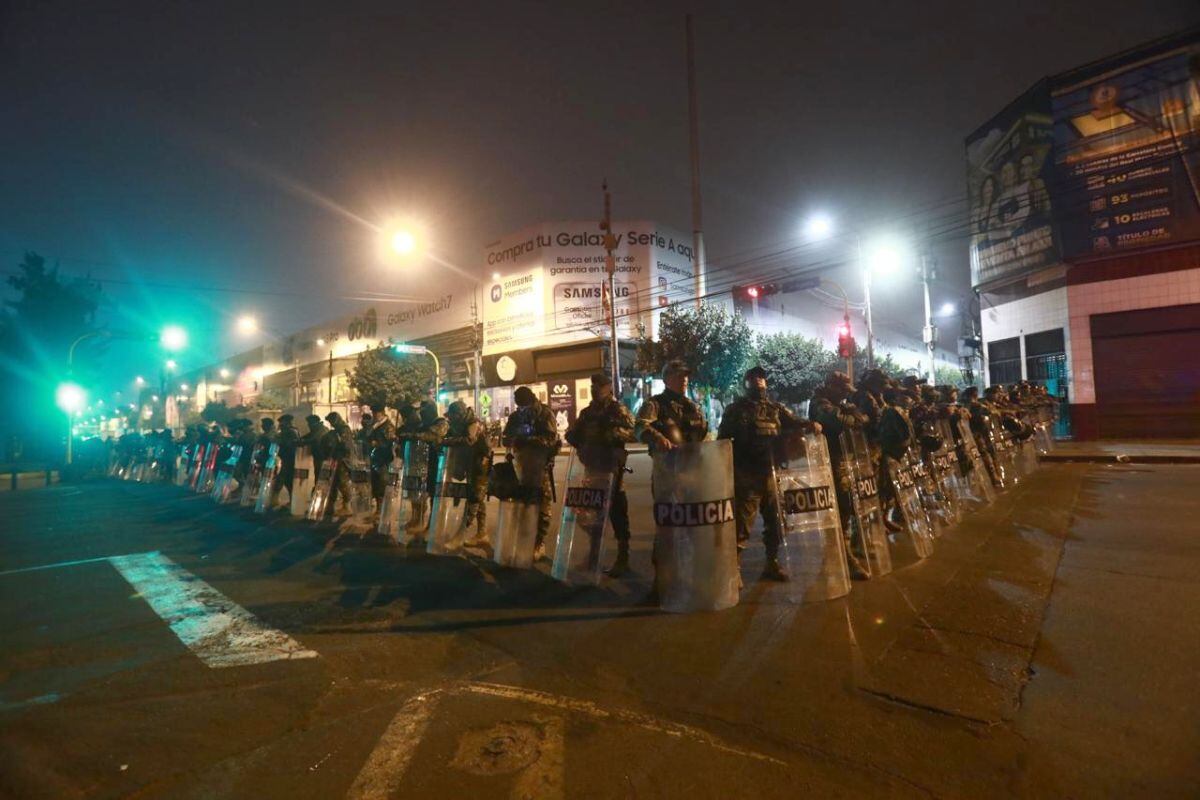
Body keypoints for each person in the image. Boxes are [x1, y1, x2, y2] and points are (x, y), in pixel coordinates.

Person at [718, 365, 820, 582]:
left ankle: (771, 562)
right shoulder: (735, 410)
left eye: (762, 378)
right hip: (746, 474)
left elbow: (794, 421)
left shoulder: (776, 409)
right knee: (742, 527)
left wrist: (812, 424)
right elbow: (723, 442)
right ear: (746, 383)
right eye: (754, 378)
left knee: (776, 522)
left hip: (771, 474)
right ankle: (733, 570)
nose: (759, 381)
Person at [565, 372, 637, 576]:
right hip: (591, 468)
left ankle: (623, 557)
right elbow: (574, 432)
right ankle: (593, 555)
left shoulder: (617, 409)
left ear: (608, 388)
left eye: (599, 385)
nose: (594, 388)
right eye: (592, 385)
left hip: (612, 471)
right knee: (589, 514)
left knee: (617, 513)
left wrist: (613, 434)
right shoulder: (587, 412)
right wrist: (574, 437)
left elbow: (635, 431)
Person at [809, 372, 871, 577]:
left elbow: (863, 419)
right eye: (842, 391)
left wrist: (852, 416)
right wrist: (852, 416)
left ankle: (844, 549)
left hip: (843, 460)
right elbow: (836, 421)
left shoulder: (839, 404)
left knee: (847, 505)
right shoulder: (820, 402)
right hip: (828, 462)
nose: (845, 396)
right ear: (832, 387)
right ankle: (842, 554)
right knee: (838, 506)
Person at [502, 386, 559, 559]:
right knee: (522, 505)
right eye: (520, 407)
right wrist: (513, 440)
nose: (522, 410)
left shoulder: (544, 414)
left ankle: (539, 543)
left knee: (542, 505)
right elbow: (505, 438)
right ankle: (522, 541)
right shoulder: (516, 416)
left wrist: (527, 440)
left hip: (540, 466)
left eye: (524, 406)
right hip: (520, 467)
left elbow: (551, 439)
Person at [443, 399, 493, 546]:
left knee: (474, 498)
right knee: (478, 498)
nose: (450, 419)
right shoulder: (459, 423)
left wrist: (447, 441)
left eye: (452, 416)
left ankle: (460, 535)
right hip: (470, 463)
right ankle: (482, 534)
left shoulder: (473, 423)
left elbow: (469, 440)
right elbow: (448, 435)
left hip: (480, 464)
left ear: (458, 414)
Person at [634, 360, 708, 450]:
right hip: (667, 460)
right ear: (667, 380)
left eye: (686, 376)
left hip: (692, 461)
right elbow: (640, 427)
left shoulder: (694, 407)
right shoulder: (655, 404)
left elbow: (704, 435)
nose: (684, 379)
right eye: (679, 376)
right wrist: (658, 438)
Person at [322, 412, 356, 517]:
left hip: (343, 460)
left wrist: (335, 444)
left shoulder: (344, 429)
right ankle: (330, 506)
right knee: (333, 482)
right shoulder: (336, 431)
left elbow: (346, 446)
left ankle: (347, 507)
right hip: (336, 459)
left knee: (343, 482)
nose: (331, 424)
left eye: (332, 421)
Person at [365, 403, 396, 517]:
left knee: (383, 483)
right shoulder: (375, 425)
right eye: (373, 413)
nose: (374, 415)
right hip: (375, 459)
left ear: (382, 413)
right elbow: (367, 437)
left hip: (384, 459)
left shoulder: (388, 426)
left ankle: (383, 510)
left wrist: (377, 443)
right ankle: (378, 508)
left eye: (376, 413)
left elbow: (390, 442)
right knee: (376, 484)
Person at [270, 414, 300, 509]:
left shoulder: (291, 432)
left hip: (289, 459)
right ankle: (279, 500)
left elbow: (290, 445)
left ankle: (277, 500)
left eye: (282, 423)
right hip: (285, 459)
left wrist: (279, 440)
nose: (281, 425)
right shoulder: (286, 432)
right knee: (286, 480)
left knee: (285, 480)